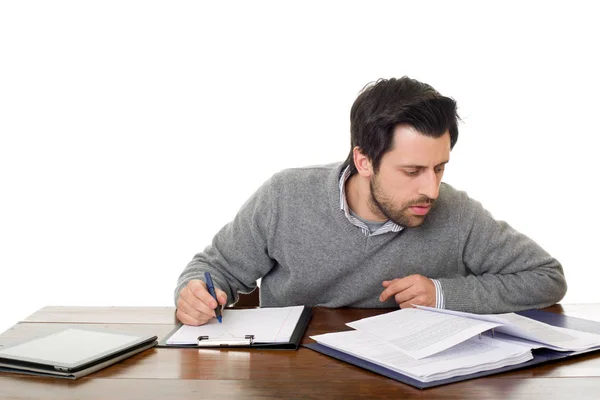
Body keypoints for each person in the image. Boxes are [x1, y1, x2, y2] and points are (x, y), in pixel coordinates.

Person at [174, 76, 567, 326]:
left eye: (440, 168)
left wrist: (444, 294)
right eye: (412, 172)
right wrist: (195, 293)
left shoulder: (456, 212)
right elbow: (214, 268)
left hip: (407, 380)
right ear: (364, 161)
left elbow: (546, 278)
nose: (431, 189)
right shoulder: (285, 196)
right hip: (292, 374)